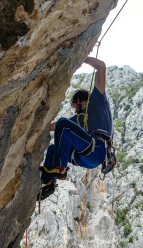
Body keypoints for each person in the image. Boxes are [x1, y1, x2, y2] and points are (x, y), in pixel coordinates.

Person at [39, 57, 114, 197]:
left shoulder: (97, 102)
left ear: (81, 101)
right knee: (52, 149)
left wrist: (82, 57)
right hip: (85, 157)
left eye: (75, 107)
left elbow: (101, 66)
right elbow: (53, 127)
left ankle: (60, 169)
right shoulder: (79, 119)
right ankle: (49, 184)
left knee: (63, 124)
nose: (75, 111)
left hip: (97, 149)